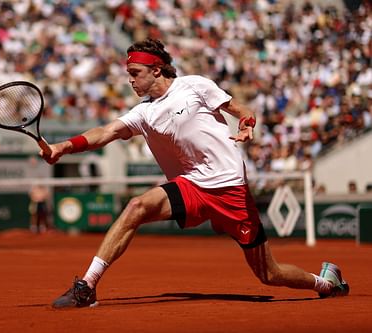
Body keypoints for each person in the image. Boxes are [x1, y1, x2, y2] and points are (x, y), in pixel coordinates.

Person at [41, 39, 349, 308]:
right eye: (128, 76)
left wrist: (246, 123)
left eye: (135, 74)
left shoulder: (194, 86)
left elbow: (242, 109)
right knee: (136, 207)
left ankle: (326, 283)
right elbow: (105, 132)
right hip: (192, 186)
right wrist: (63, 147)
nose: (130, 82)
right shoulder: (143, 113)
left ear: (157, 70)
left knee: (270, 274)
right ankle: (87, 286)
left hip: (230, 189)